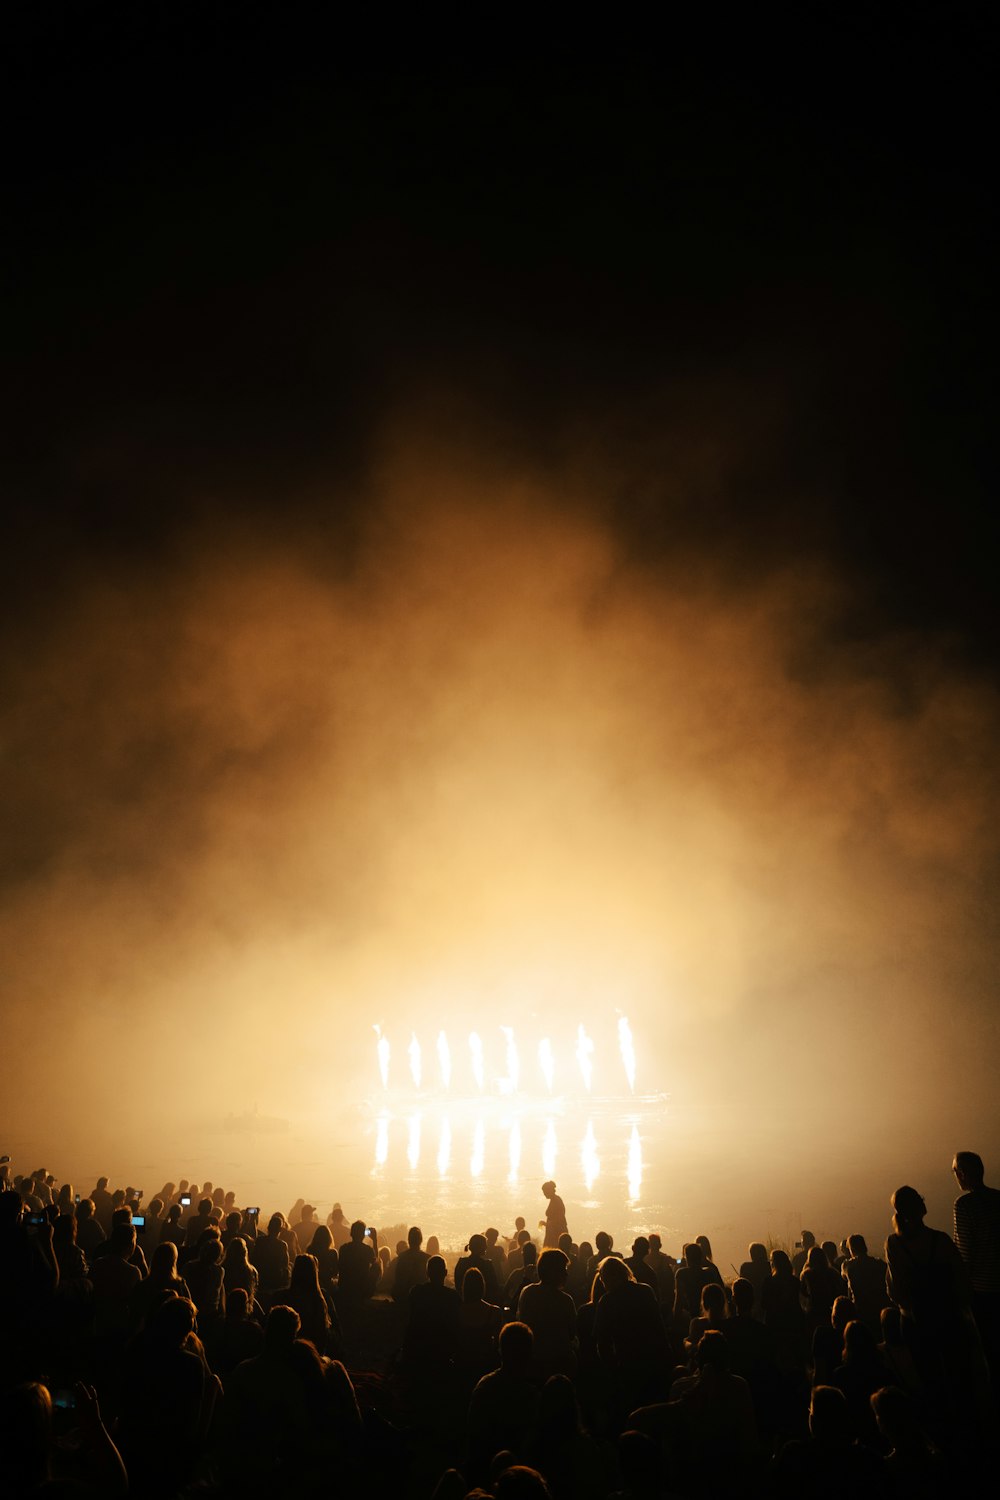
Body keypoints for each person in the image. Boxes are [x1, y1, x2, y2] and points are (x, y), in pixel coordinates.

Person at [952, 1150, 1000, 1376]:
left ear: (962, 1173)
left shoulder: (964, 1205)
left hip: (982, 1290)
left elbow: (964, 1252)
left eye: (955, 1171)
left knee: (988, 1351)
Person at [541, 1182, 568, 1248]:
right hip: (553, 1233)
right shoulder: (554, 1200)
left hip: (557, 1234)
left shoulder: (556, 1201)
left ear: (549, 1190)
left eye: (544, 1191)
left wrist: (547, 1224)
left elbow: (559, 1219)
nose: (544, 1194)